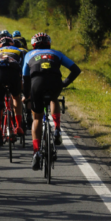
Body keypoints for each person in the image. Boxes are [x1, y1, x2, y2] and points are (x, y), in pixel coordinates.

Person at [23, 32, 81, 171]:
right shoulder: (56, 53)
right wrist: (65, 83)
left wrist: (27, 95)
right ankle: (57, 130)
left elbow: (25, 78)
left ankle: (36, 152)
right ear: (49, 43)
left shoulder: (28, 55)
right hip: (55, 83)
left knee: (37, 119)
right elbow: (75, 69)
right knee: (54, 98)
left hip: (37, 84)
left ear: (33, 44)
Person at [0, 36, 25, 143]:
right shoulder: (19, 51)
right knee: (16, 97)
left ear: (0, 44)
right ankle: (18, 125)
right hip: (13, 74)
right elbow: (24, 69)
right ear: (12, 44)